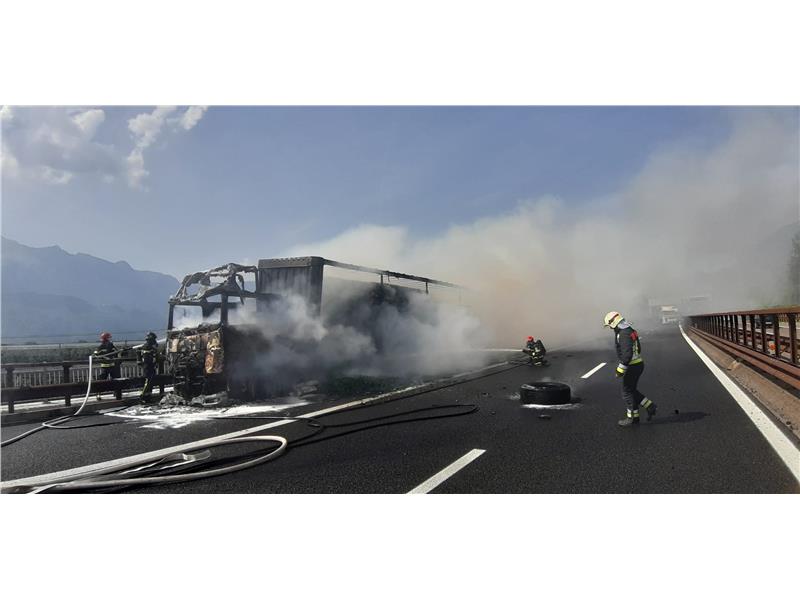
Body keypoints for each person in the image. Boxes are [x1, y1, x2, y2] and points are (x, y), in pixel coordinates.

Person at [603, 311, 656, 427]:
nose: (610, 328)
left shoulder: (623, 334)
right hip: (638, 364)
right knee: (631, 391)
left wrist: (620, 371)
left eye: (610, 326)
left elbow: (627, 355)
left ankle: (631, 418)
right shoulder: (630, 330)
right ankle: (647, 407)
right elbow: (639, 349)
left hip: (632, 366)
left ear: (613, 323)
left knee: (626, 393)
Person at [138, 332, 160, 401]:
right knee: (148, 382)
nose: (155, 341)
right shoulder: (147, 347)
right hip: (148, 366)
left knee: (151, 382)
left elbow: (154, 356)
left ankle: (148, 396)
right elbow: (148, 358)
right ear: (151, 339)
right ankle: (143, 396)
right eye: (154, 339)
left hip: (151, 366)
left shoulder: (150, 346)